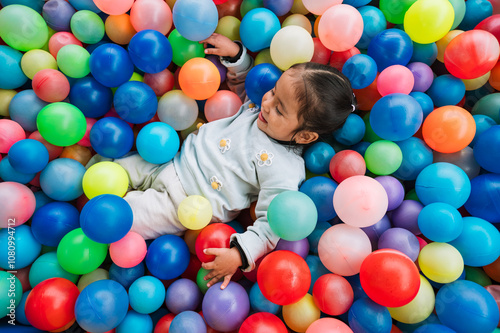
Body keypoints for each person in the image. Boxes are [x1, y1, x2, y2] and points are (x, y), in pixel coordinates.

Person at [87, 33, 356, 289]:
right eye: (273, 91)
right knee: (105, 171)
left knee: (118, 217)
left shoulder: (284, 168)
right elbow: (243, 84)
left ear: (305, 136)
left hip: (185, 203)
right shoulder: (256, 110)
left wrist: (239, 254)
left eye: (279, 109)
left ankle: (86, 222)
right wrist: (237, 56)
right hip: (170, 159)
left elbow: (272, 223)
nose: (266, 102)